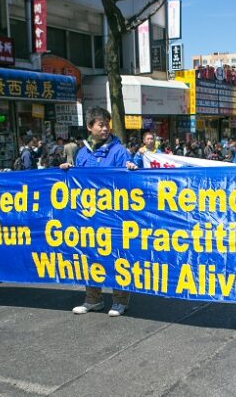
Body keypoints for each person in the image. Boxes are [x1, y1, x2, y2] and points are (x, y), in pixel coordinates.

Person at [59, 107, 137, 317]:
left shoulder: (119, 151)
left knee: (117, 257)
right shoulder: (82, 153)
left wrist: (132, 167)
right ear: (89, 127)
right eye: (100, 124)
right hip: (89, 216)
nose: (105, 128)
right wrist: (67, 171)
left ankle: (120, 300)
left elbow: (132, 179)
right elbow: (76, 181)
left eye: (107, 124)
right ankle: (93, 299)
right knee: (90, 256)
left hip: (114, 216)